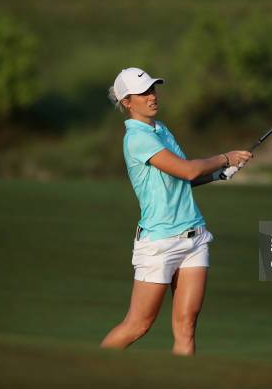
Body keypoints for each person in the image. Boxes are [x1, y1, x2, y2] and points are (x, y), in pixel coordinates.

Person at [100, 67, 252, 356]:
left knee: (186, 327)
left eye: (153, 89)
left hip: (194, 238)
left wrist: (220, 173)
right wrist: (225, 157)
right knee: (138, 325)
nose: (152, 96)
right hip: (159, 242)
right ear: (127, 102)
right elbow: (189, 168)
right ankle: (83, 375)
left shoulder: (161, 131)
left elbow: (186, 179)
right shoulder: (136, 139)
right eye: (143, 93)